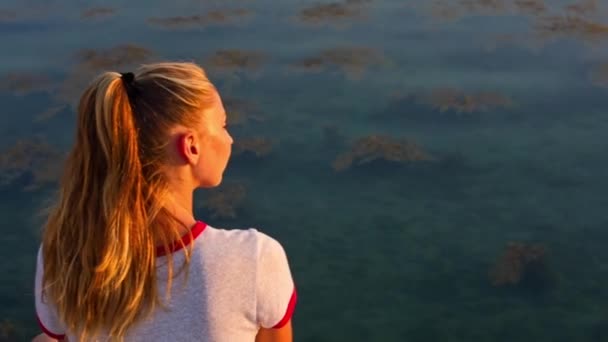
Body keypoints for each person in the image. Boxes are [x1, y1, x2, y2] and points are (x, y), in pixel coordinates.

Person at [31, 62, 297, 342]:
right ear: (191, 146)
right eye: (223, 125)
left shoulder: (63, 256)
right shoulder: (253, 259)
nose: (230, 139)